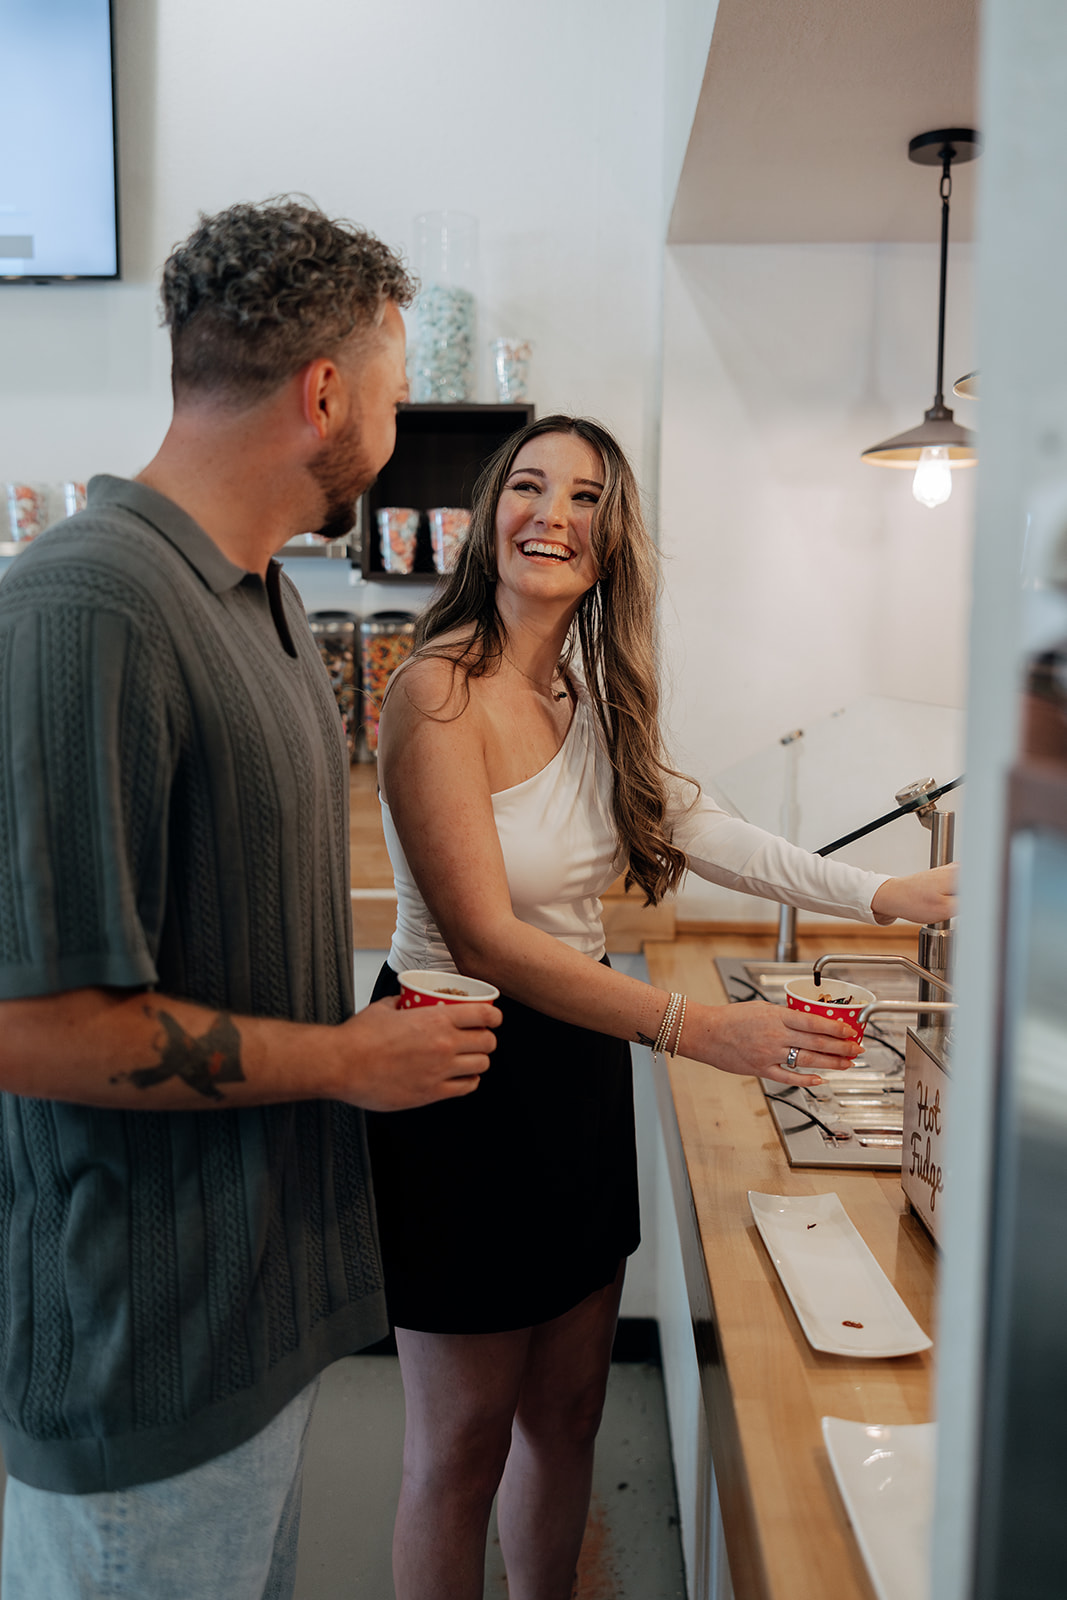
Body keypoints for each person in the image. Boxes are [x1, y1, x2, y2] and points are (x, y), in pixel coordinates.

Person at [0, 198, 501, 1600]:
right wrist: (346, 1060)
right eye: (394, 400)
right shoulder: (87, 607)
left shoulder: (262, 603)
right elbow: (35, 1027)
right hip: (135, 1367)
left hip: (254, 1332)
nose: (394, 432)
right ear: (324, 394)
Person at [367, 413, 957, 1600]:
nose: (553, 513)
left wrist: (885, 893)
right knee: (461, 1444)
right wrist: (698, 1030)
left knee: (569, 1411)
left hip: (573, 1066)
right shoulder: (434, 694)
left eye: (584, 497)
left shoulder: (585, 699)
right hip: (456, 1068)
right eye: (528, 487)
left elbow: (716, 834)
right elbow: (485, 934)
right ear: (488, 519)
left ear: (609, 540)